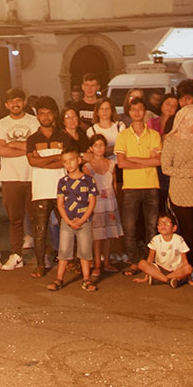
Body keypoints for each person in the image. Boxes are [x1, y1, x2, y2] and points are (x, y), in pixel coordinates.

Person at [160, 104, 193, 284]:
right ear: (186, 120)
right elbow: (166, 168)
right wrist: (190, 173)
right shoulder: (171, 140)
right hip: (181, 193)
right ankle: (189, 266)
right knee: (187, 232)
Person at [0, 88, 40, 271]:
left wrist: (13, 144)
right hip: (10, 178)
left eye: (18, 100)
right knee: (15, 219)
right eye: (11, 101)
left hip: (33, 176)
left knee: (37, 219)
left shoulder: (34, 122)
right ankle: (16, 255)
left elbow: (37, 148)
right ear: (6, 104)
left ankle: (41, 256)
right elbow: (1, 150)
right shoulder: (1, 125)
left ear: (24, 101)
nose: (15, 104)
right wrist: (26, 147)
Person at [116, 97, 162, 273]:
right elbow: (121, 163)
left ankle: (149, 260)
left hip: (151, 185)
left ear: (145, 112)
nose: (136, 112)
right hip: (131, 187)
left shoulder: (154, 135)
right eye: (133, 109)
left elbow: (158, 162)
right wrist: (147, 161)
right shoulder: (123, 136)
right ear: (129, 112)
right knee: (130, 227)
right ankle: (134, 260)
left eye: (140, 109)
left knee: (151, 227)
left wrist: (132, 159)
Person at [27, 97, 68, 277]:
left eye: (49, 113)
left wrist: (42, 161)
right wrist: (56, 158)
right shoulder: (32, 139)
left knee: (67, 229)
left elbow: (67, 162)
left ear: (55, 114)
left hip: (62, 191)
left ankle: (70, 261)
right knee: (40, 231)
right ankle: (40, 265)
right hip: (41, 190)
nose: (45, 117)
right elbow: (31, 161)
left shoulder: (64, 136)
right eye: (42, 113)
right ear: (37, 116)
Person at [50, 148, 99, 292]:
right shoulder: (62, 182)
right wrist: (68, 220)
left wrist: (82, 219)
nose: (69, 164)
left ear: (79, 160)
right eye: (65, 161)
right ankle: (59, 279)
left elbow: (92, 202)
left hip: (85, 220)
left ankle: (86, 279)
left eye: (71, 160)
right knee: (64, 250)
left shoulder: (89, 180)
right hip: (67, 220)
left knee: (85, 250)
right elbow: (60, 204)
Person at [83, 134, 122, 275]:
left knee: (108, 233)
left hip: (110, 202)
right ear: (91, 148)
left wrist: (116, 201)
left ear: (105, 147)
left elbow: (114, 184)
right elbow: (86, 189)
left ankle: (107, 262)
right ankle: (97, 264)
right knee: (97, 235)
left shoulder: (112, 164)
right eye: (96, 145)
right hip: (96, 203)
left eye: (101, 145)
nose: (99, 148)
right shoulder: (87, 167)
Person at [132, 212, 193, 288]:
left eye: (167, 223)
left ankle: (159, 279)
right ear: (158, 228)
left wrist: (190, 279)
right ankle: (168, 280)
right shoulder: (156, 239)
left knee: (188, 268)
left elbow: (185, 261)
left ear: (174, 228)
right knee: (142, 263)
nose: (163, 225)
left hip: (175, 270)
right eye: (160, 223)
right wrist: (146, 277)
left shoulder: (178, 239)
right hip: (160, 269)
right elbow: (150, 259)